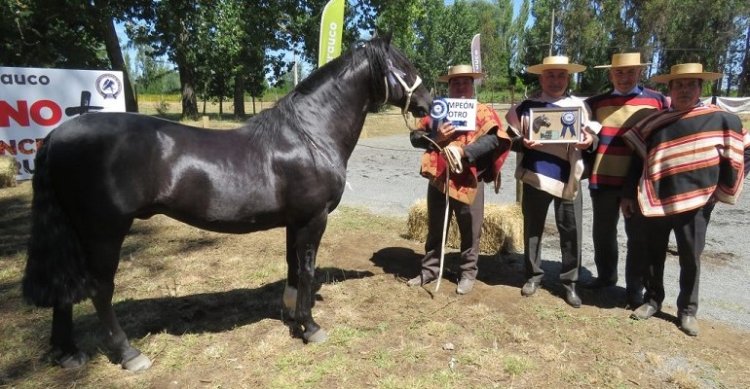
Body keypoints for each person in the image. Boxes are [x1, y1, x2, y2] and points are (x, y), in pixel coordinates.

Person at [622, 63, 749, 336]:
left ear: (700, 88)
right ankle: (653, 300)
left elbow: (742, 151)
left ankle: (687, 311)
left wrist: (722, 188)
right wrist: (628, 195)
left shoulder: (722, 120)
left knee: (690, 257)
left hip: (698, 203)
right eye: (678, 85)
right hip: (657, 200)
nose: (684, 90)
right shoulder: (655, 124)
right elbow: (637, 162)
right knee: (653, 254)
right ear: (669, 89)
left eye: (690, 84)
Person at [407, 64, 512, 294]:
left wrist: (465, 152)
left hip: (469, 178)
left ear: (472, 85)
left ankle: (467, 273)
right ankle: (430, 270)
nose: (461, 86)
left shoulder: (483, 111)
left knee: (470, 229)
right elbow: (415, 137)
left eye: (465, 82)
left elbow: (495, 140)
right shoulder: (437, 109)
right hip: (439, 176)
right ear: (450, 85)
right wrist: (435, 136)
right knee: (435, 227)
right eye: (456, 82)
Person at [505, 56, 600, 308]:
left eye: (561, 75)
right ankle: (533, 276)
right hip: (536, 174)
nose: (556, 80)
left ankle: (570, 283)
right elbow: (508, 138)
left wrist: (589, 142)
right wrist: (521, 143)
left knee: (571, 230)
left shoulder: (580, 106)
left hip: (569, 176)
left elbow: (594, 138)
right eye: (550, 76)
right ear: (541, 78)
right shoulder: (525, 107)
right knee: (532, 229)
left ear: (568, 78)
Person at [583, 53, 669, 308]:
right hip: (604, 177)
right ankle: (606, 276)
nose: (624, 77)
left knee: (638, 237)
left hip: (640, 182)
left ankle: (634, 289)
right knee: (603, 232)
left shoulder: (657, 101)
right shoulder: (594, 103)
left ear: (639, 73)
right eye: (619, 72)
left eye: (630, 72)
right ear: (611, 74)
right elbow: (583, 136)